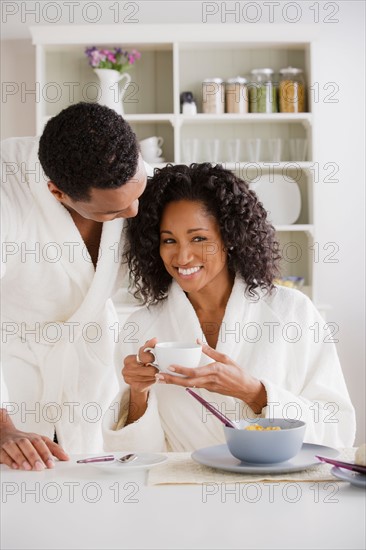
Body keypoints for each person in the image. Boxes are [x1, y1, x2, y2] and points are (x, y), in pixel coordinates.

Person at [103, 162, 356, 452]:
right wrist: (138, 394)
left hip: (275, 490)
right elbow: (135, 457)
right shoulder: (142, 327)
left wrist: (255, 393)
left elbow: (338, 429)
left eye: (199, 238)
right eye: (169, 240)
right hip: (182, 493)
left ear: (230, 238)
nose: (183, 256)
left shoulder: (292, 314)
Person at [0, 102, 150, 470]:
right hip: (15, 369)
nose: (132, 213)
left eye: (138, 193)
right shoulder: (7, 190)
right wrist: (2, 427)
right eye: (112, 212)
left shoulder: (125, 168)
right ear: (58, 193)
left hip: (91, 366)